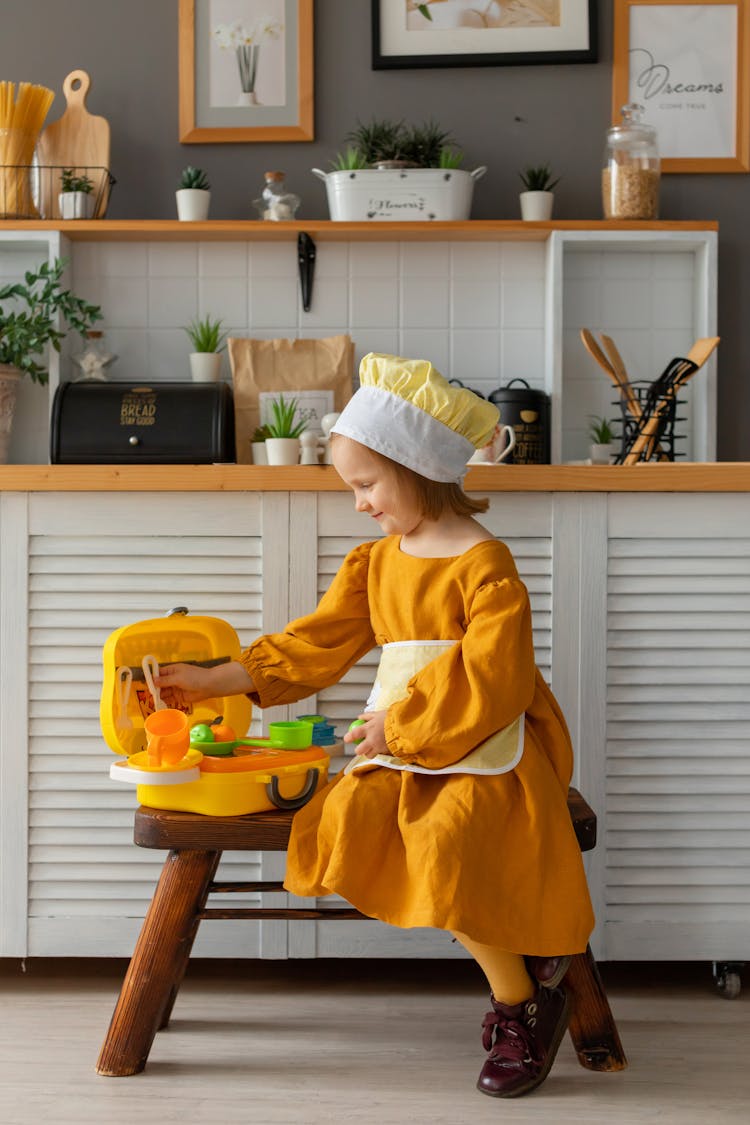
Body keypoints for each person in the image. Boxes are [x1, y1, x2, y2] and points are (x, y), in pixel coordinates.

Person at [155, 353, 595, 1099]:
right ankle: (530, 970)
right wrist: (210, 679)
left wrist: (407, 721)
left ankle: (521, 1002)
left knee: (450, 834)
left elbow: (497, 677)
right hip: (395, 747)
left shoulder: (487, 567)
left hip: (485, 741)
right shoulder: (376, 564)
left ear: (418, 467)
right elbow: (312, 645)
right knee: (355, 814)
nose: (358, 503)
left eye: (366, 485)